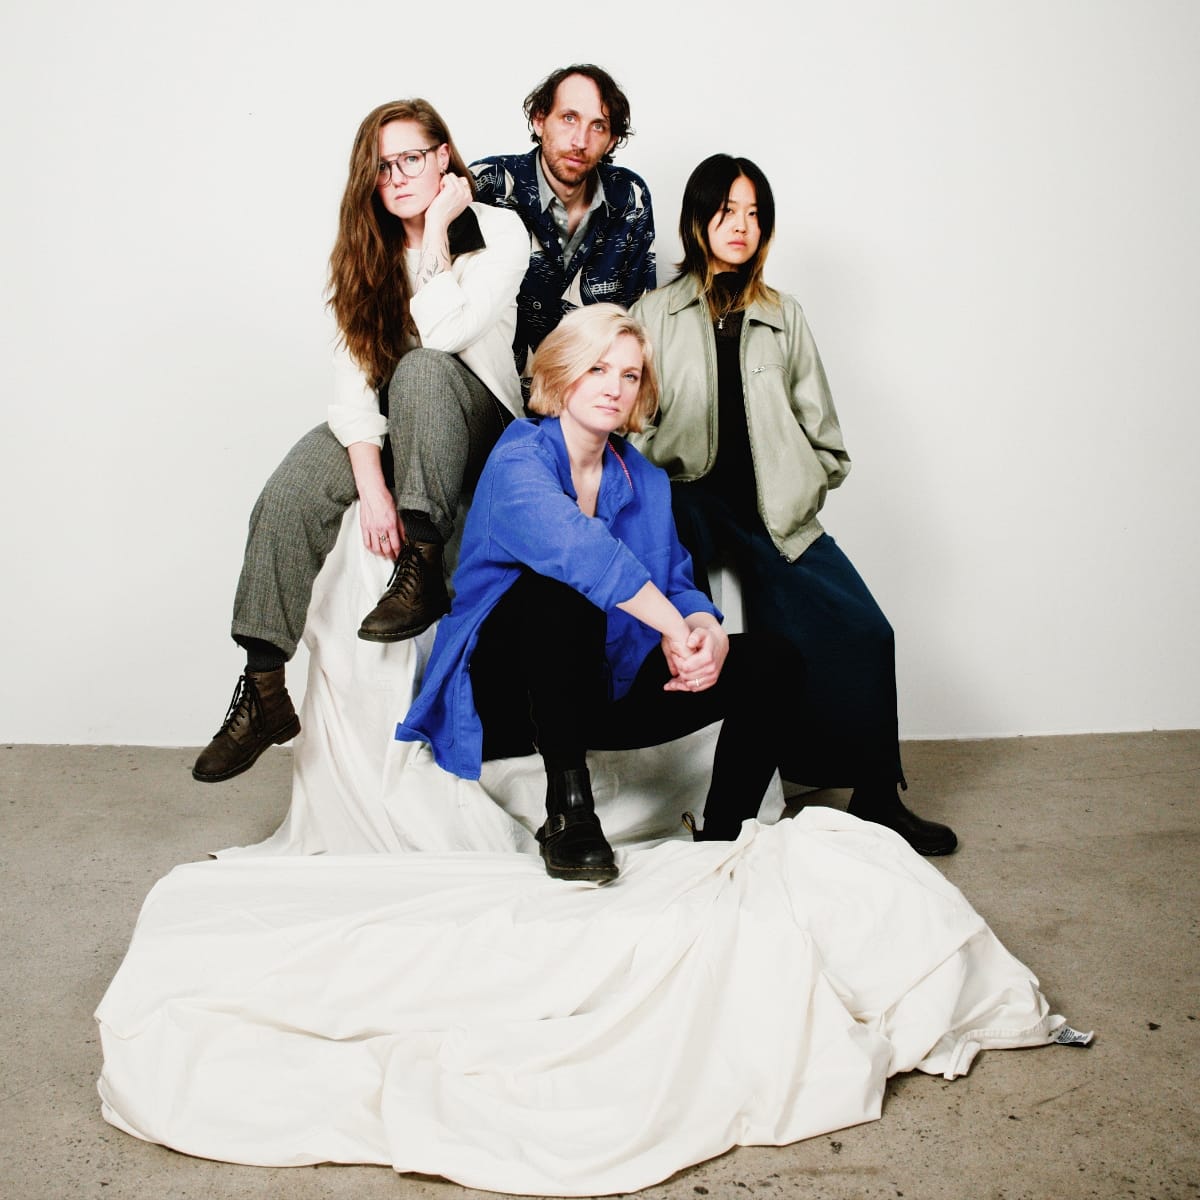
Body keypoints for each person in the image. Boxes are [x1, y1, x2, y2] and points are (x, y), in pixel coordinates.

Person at [395, 304, 802, 883]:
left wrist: (706, 634)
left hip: (601, 688)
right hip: (510, 699)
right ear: (563, 373)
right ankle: (567, 817)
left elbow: (679, 584)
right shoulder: (519, 460)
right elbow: (585, 556)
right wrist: (673, 627)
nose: (614, 388)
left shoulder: (647, 482)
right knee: (561, 593)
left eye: (629, 375)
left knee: (773, 659)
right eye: (597, 369)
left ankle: (721, 839)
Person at [630, 154, 958, 856]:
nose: (741, 226)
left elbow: (823, 431)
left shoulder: (785, 316)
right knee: (708, 627)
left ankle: (876, 793)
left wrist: (804, 482)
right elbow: (632, 420)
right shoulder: (654, 312)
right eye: (727, 212)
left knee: (866, 629)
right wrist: (657, 483)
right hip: (685, 499)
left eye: (754, 214)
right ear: (698, 220)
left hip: (770, 509)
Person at [192, 99, 527, 784]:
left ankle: (424, 567)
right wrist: (372, 488)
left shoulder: (499, 231)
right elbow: (351, 387)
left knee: (421, 368)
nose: (398, 176)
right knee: (288, 493)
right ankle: (262, 689)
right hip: (398, 426)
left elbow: (445, 338)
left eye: (412, 158)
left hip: (476, 422)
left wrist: (436, 232)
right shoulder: (365, 251)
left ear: (443, 158)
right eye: (382, 168)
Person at [468, 63, 657, 384]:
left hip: (586, 399)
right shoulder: (489, 184)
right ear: (540, 120)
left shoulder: (630, 197)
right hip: (495, 392)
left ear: (612, 140)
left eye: (598, 126)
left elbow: (635, 320)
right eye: (569, 118)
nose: (580, 140)